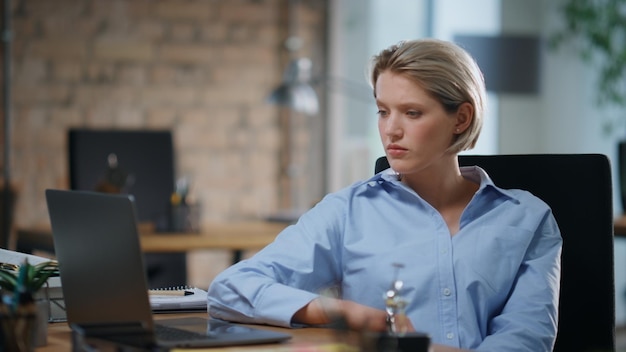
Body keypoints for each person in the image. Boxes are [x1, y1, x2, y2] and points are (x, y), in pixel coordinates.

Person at [207, 38, 562, 351]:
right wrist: (344, 312)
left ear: (462, 118)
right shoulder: (348, 212)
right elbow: (230, 289)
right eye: (382, 111)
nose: (391, 130)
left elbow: (527, 338)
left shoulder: (526, 218)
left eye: (412, 112)